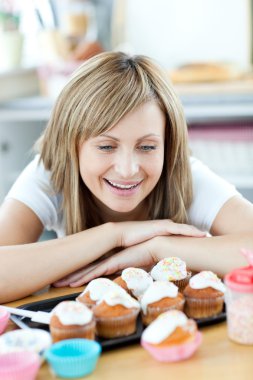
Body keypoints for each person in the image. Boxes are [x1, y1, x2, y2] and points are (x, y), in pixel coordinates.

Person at [0, 52, 253, 303]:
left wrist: (158, 248)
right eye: (106, 147)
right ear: (71, 145)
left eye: (147, 147)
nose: (128, 169)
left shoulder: (183, 174)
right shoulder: (51, 173)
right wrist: (115, 234)